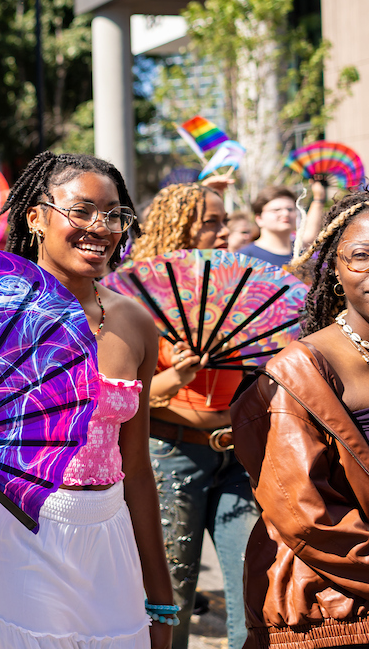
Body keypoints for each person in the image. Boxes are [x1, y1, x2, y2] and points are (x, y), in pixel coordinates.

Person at [0, 152, 174, 649]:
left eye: (114, 213)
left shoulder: (135, 324)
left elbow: (137, 468)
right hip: (13, 538)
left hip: (109, 542)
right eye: (82, 210)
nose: (100, 226)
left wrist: (159, 599)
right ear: (36, 217)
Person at [233, 189, 369, 648]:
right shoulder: (299, 370)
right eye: (362, 256)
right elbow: (306, 516)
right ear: (334, 266)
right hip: (336, 607)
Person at [129, 183, 258, 649]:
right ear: (179, 227)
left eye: (226, 222)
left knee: (253, 588)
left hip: (236, 459)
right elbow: (129, 397)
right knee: (172, 597)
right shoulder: (139, 296)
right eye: (211, 222)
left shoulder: (238, 287)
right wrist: (177, 376)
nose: (224, 232)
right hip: (170, 456)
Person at [240, 182, 327, 268]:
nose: (285, 213)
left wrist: (318, 199)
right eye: (276, 210)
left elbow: (310, 233)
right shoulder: (244, 258)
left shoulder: (301, 253)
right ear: (259, 219)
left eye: (290, 209)